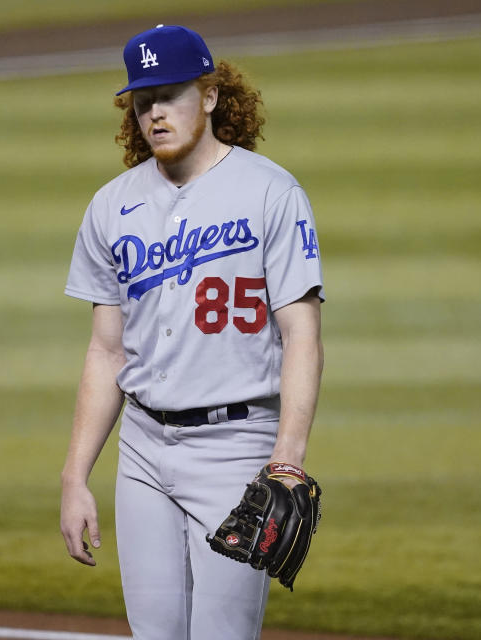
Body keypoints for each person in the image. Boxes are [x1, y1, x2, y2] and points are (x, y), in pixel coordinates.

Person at [59, 25, 324, 639]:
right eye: (143, 100)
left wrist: (287, 459)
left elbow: (302, 336)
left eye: (171, 94)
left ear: (209, 95)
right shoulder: (111, 206)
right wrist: (75, 477)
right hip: (144, 451)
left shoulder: (271, 193)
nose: (155, 112)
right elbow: (107, 351)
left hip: (237, 448)